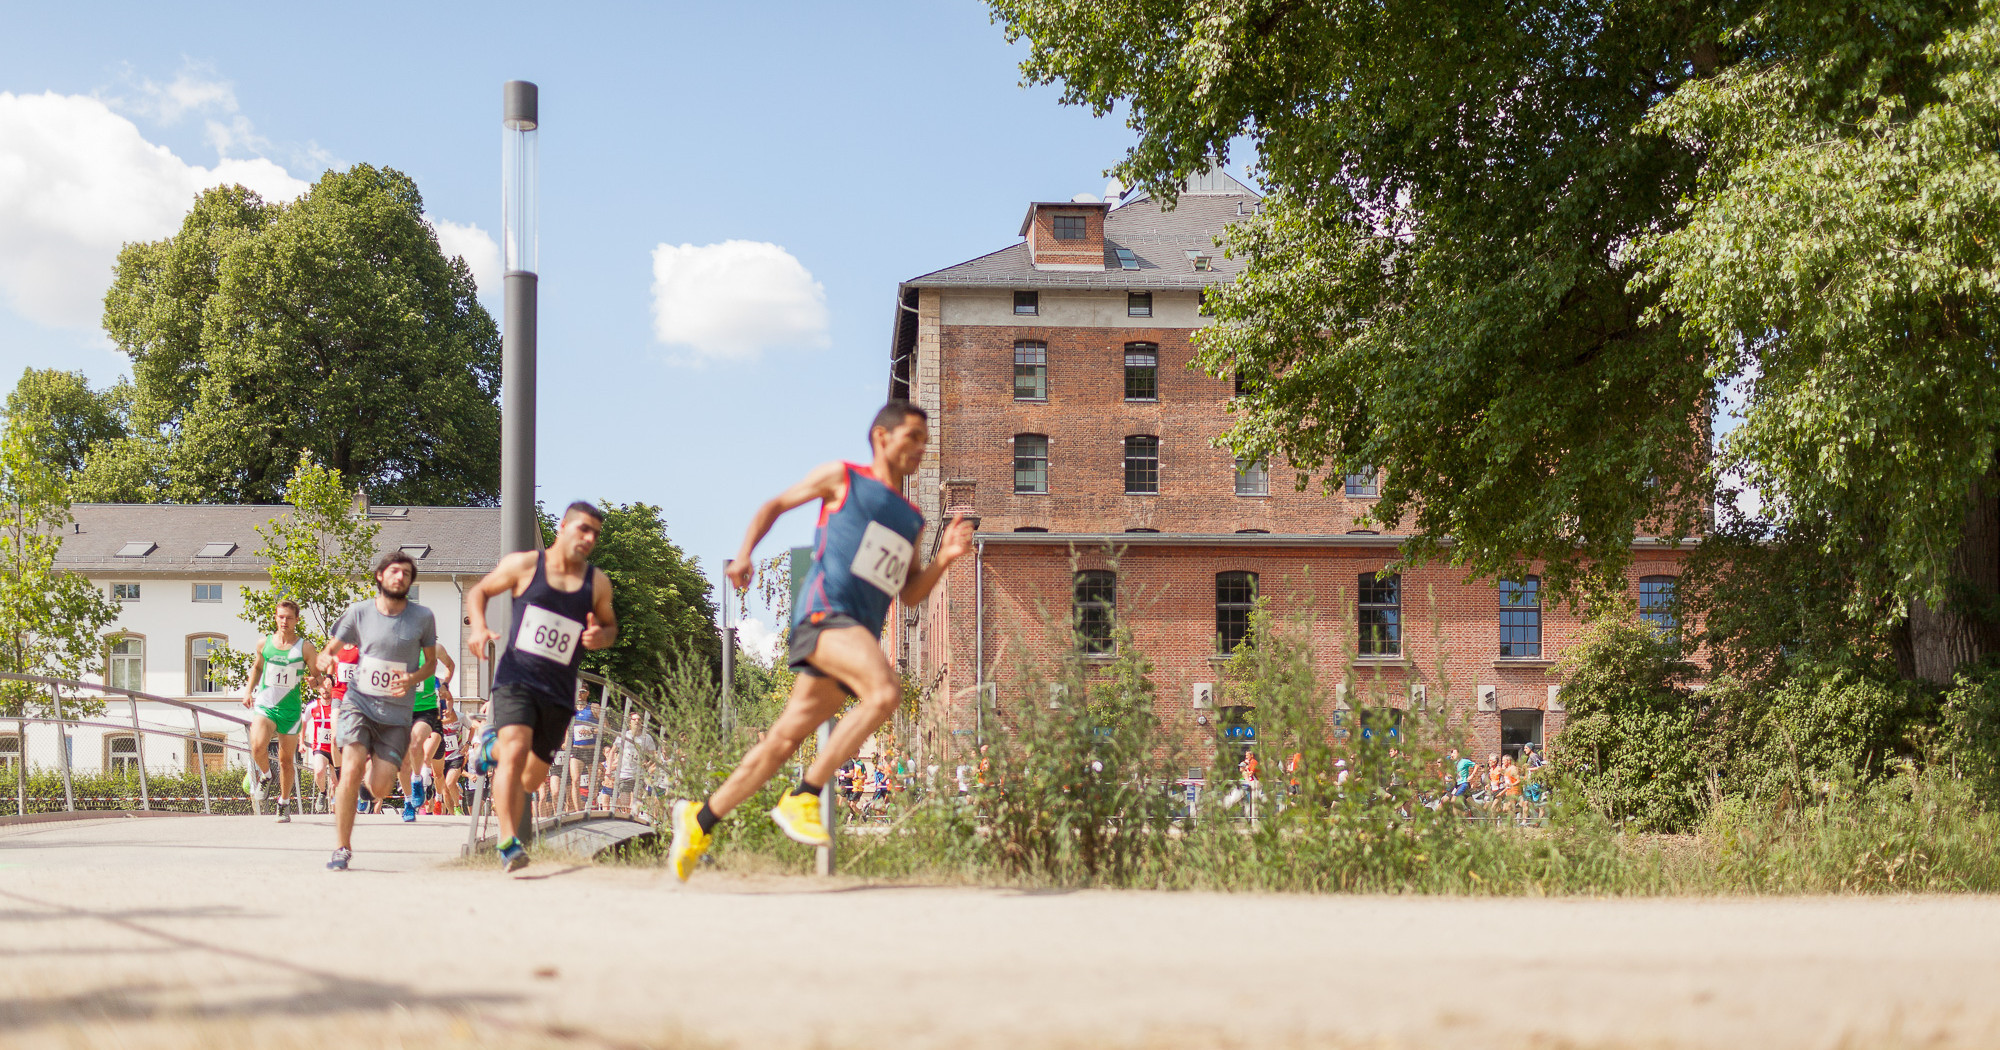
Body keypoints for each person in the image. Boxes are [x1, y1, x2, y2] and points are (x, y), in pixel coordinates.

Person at [667, 401, 972, 881]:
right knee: (885, 692)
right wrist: (745, 554)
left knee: (783, 740)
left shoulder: (912, 519)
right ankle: (804, 796)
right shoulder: (843, 477)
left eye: (924, 440)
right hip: (824, 615)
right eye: (912, 436)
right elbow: (775, 505)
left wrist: (948, 558)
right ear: (881, 437)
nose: (920, 448)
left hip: (856, 635)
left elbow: (911, 593)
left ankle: (700, 819)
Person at [464, 501, 618, 873]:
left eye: (595, 533)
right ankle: (507, 842)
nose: (588, 538)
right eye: (582, 528)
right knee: (514, 752)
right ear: (562, 526)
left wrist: (602, 636)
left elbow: (610, 626)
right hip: (517, 678)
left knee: (531, 778)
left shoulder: (595, 582)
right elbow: (479, 592)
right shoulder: (527, 565)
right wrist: (479, 627)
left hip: (559, 692)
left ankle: (489, 746)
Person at [316, 551, 441, 871]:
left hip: (396, 715)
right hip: (358, 703)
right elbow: (332, 644)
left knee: (383, 786)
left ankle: (372, 782)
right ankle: (342, 847)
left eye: (407, 574)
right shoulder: (358, 612)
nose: (400, 577)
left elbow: (430, 664)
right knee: (352, 767)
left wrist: (411, 678)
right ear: (380, 576)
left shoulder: (423, 617)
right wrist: (324, 657)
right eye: (395, 571)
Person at [239, 599, 319, 823]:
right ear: (275, 617)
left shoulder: (305, 647)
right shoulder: (264, 643)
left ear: (296, 620)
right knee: (257, 745)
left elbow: (316, 676)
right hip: (266, 705)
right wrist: (248, 692)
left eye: (289, 617)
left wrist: (315, 681)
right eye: (281, 616)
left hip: (291, 711)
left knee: (286, 761)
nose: (284, 621)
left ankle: (284, 803)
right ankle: (265, 775)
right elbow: (257, 667)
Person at [399, 648, 456, 821]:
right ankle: (408, 803)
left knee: (419, 747)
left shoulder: (435, 647)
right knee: (402, 763)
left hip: (428, 713)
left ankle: (421, 780)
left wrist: (445, 685)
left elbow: (450, 665)